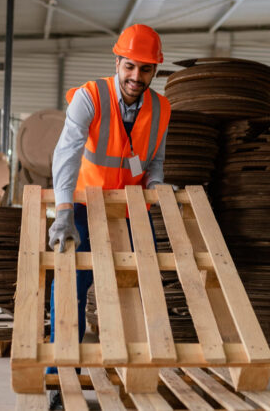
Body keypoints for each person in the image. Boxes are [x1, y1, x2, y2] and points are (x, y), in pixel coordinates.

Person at [46, 24, 172, 409]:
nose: (137, 77)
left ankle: (136, 377)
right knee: (72, 285)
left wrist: (154, 183)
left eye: (146, 69)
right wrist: (64, 209)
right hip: (84, 203)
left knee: (138, 286)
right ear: (117, 62)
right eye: (130, 67)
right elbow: (66, 152)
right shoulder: (90, 97)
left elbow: (155, 159)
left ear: (155, 71)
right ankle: (60, 381)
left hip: (131, 206)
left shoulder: (161, 107)